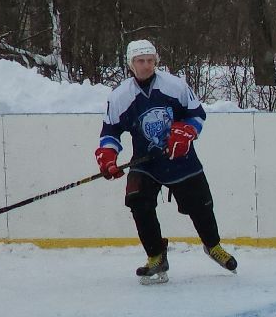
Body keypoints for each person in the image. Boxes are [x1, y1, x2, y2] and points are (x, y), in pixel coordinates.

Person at [95, 39, 235, 284]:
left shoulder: (175, 86)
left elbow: (197, 114)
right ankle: (156, 256)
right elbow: (110, 132)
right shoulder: (120, 97)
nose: (146, 66)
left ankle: (213, 246)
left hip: (180, 157)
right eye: (140, 61)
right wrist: (108, 156)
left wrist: (187, 132)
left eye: (150, 60)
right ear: (131, 64)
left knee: (201, 206)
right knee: (138, 202)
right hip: (145, 162)